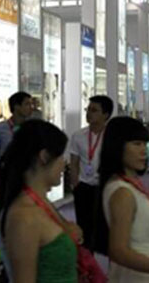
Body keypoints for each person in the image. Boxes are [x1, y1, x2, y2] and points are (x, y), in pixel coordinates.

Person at [0, 119, 79, 283]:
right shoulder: (23, 216)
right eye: (61, 156)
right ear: (44, 156)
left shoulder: (40, 202)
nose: (64, 163)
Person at [100, 116, 149, 281]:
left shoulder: (129, 185)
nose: (143, 151)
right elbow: (118, 251)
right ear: (118, 146)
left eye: (144, 144)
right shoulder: (123, 192)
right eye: (136, 144)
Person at [70, 95, 113, 252]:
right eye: (88, 109)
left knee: (104, 227)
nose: (89, 113)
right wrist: (75, 185)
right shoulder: (78, 136)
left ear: (106, 115)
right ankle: (87, 261)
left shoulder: (111, 137)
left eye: (94, 110)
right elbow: (74, 162)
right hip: (83, 187)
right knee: (84, 227)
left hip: (104, 187)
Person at [0, 91, 33, 167]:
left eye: (31, 104)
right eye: (27, 104)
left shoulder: (32, 128)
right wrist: (2, 169)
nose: (31, 107)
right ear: (16, 106)